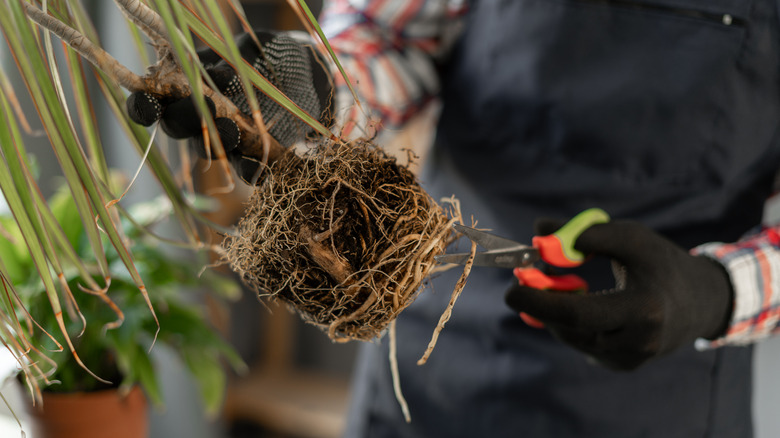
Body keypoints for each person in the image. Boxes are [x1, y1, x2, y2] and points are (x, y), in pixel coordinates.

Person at [127, 0, 780, 436]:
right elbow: (388, 35)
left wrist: (712, 294)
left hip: (666, 392)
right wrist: (310, 85)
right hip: (432, 362)